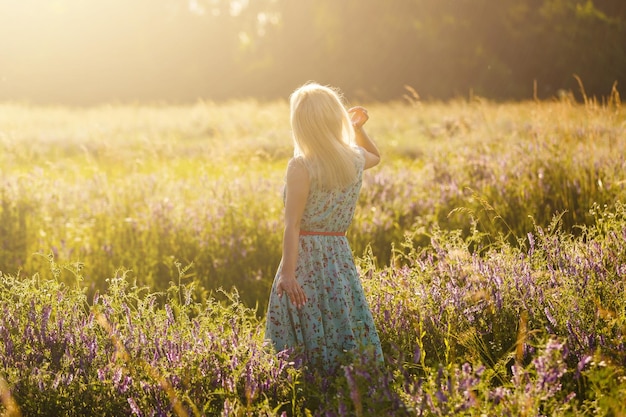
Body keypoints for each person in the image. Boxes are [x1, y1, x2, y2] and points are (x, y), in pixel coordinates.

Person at [264, 82, 383, 371]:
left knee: (302, 322)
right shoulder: (353, 158)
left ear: (303, 125)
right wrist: (358, 129)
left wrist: (289, 276)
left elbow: (292, 225)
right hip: (338, 257)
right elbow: (376, 157)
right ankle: (349, 378)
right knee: (340, 316)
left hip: (304, 257)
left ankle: (309, 385)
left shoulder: (301, 166)